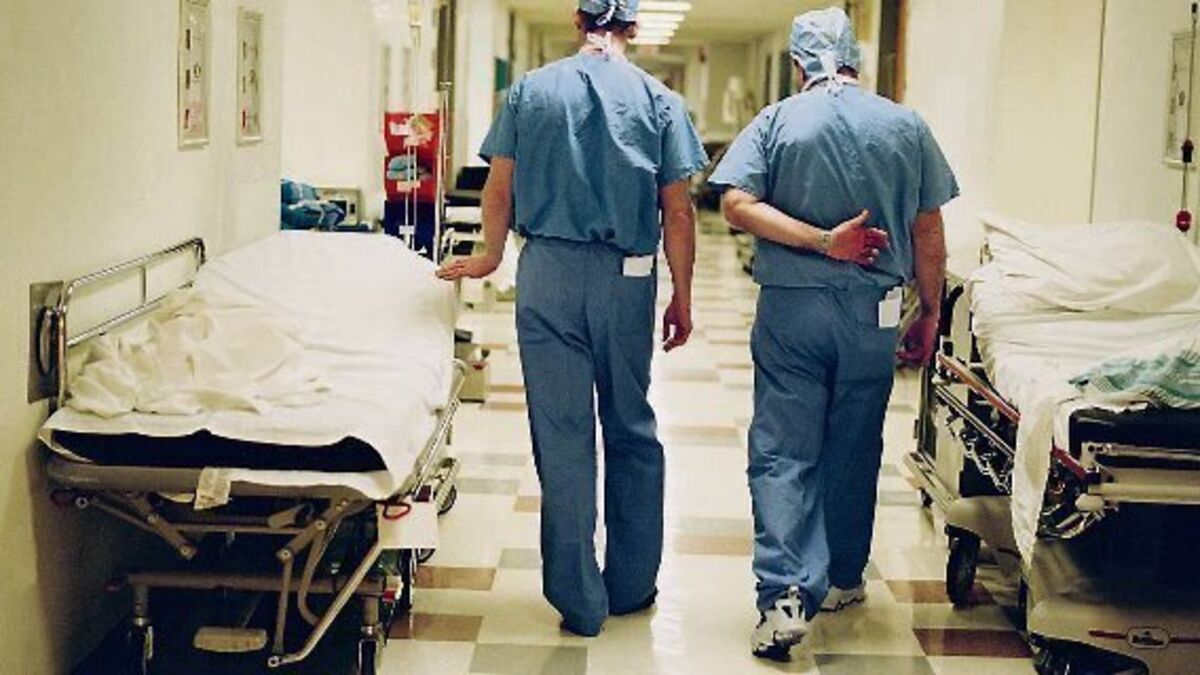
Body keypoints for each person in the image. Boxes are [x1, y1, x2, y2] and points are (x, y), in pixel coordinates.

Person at [436, 0, 707, 637]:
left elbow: (498, 187)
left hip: (547, 273)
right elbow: (678, 210)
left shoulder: (531, 91)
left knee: (561, 435)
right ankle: (631, 584)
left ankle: (578, 600)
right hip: (626, 277)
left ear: (577, 22)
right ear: (633, 27)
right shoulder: (659, 101)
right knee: (631, 425)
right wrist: (683, 295)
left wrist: (490, 255)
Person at [708, 7, 958, 662]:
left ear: (798, 63)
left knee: (784, 448)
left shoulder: (777, 121)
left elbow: (735, 203)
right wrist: (930, 310)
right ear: (856, 59)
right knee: (854, 442)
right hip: (874, 313)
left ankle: (785, 593)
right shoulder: (904, 125)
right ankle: (844, 576)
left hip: (793, 310)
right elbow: (928, 227)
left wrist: (822, 241)